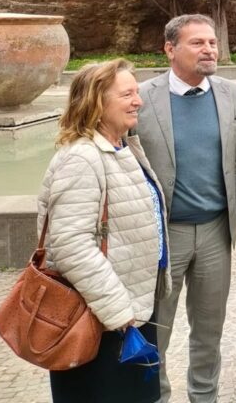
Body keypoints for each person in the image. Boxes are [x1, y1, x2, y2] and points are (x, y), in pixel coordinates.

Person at [135, 14, 236, 403]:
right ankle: (156, 395)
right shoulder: (141, 97)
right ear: (170, 49)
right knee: (156, 328)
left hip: (213, 232)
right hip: (162, 235)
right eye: (198, 43)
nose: (209, 49)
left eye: (212, 42)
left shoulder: (231, 94)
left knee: (209, 328)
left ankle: (203, 396)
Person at [39, 59, 169, 403]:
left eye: (137, 92)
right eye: (127, 94)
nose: (138, 101)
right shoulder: (82, 159)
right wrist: (119, 314)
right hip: (100, 320)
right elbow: (70, 245)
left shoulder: (122, 147)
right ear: (97, 102)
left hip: (129, 313)